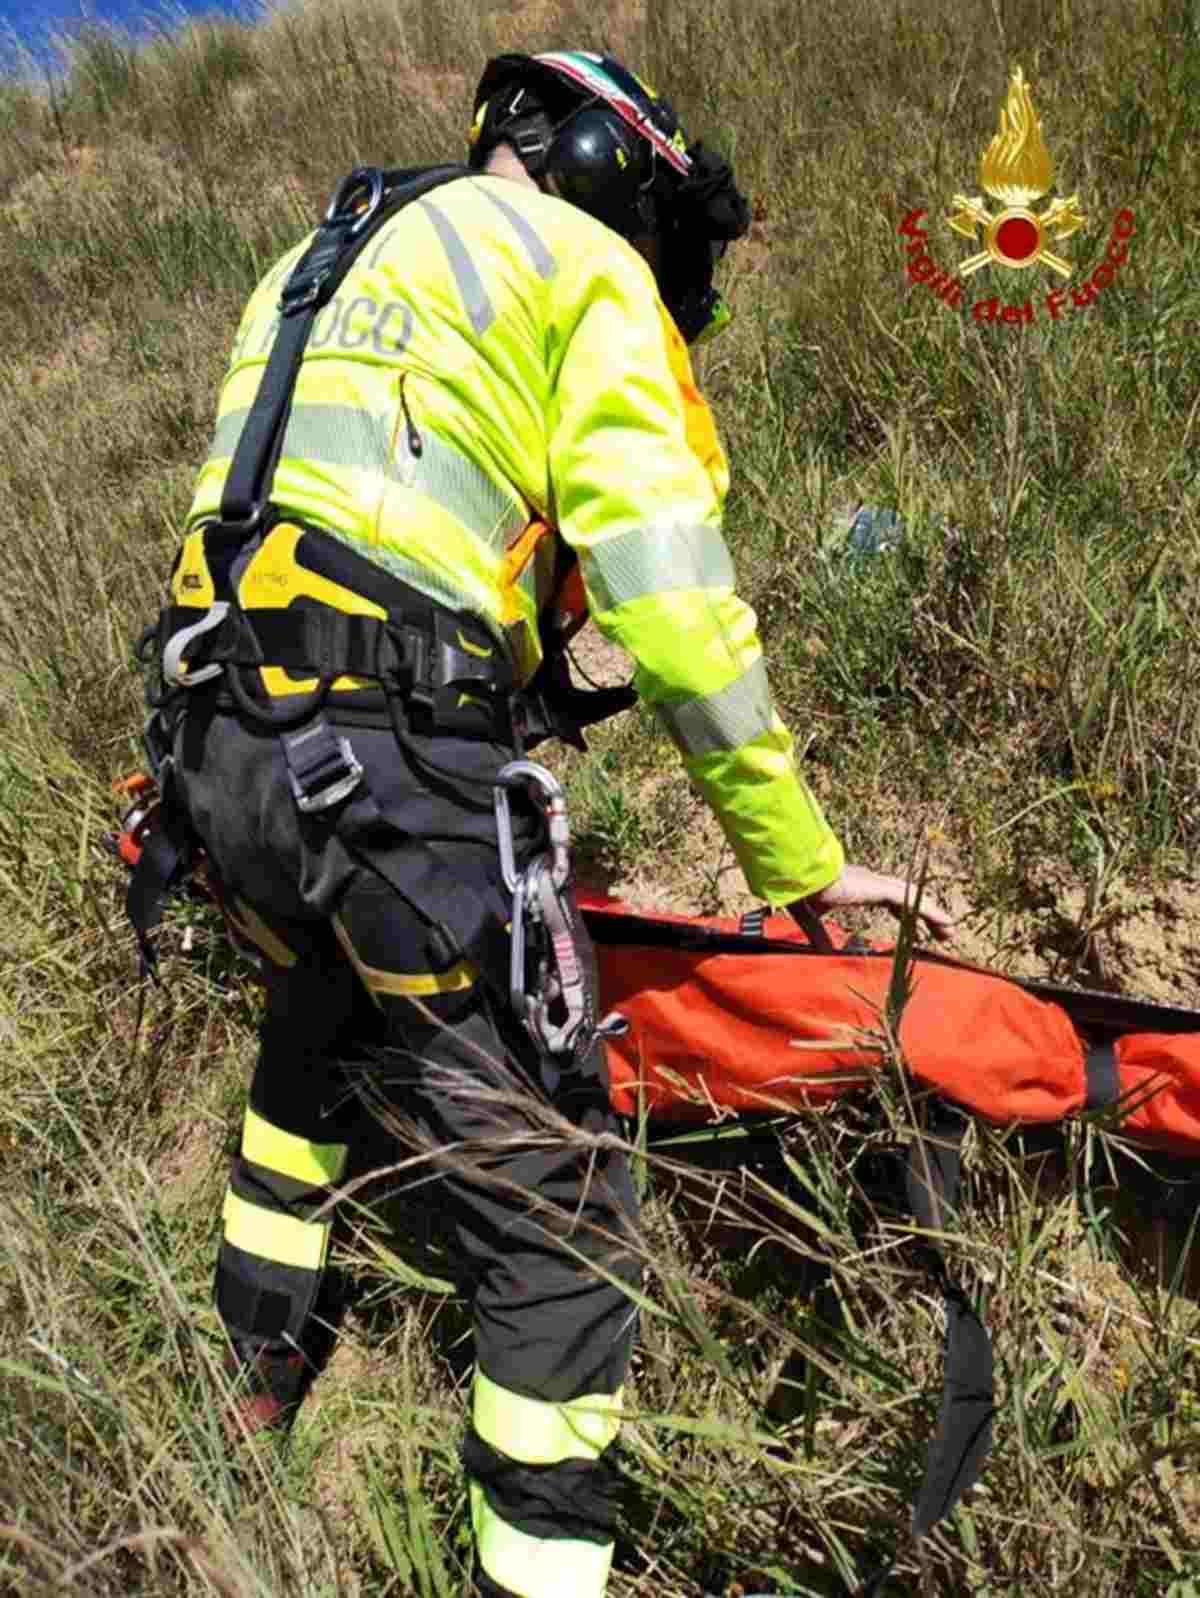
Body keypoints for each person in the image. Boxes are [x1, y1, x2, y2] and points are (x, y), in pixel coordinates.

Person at [138, 49, 953, 1598]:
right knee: (564, 1200)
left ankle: (251, 1373)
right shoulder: (581, 265)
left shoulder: (327, 254)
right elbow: (675, 596)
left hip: (209, 754)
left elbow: (369, 532)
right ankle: (542, 1565)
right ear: (602, 166)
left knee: (317, 1020)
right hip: (376, 751)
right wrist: (797, 855)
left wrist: (526, 694)